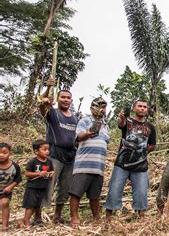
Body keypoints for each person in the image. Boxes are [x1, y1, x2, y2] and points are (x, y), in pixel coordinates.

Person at [105, 99, 156, 219]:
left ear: (147, 110)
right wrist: (122, 117)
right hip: (122, 164)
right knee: (114, 189)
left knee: (141, 193)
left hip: (140, 166)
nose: (142, 108)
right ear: (134, 108)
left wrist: (141, 153)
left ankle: (141, 217)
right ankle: (108, 219)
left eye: (145, 106)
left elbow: (152, 145)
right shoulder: (128, 122)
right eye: (140, 106)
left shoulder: (150, 127)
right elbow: (120, 123)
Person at [39, 78, 79, 223]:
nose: (66, 100)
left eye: (68, 98)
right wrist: (48, 88)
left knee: (65, 188)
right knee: (48, 184)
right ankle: (38, 215)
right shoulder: (53, 113)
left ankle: (58, 215)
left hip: (70, 157)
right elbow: (42, 104)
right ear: (57, 98)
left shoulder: (76, 118)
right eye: (63, 97)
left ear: (71, 100)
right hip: (54, 155)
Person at [69, 97, 110, 227]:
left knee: (95, 195)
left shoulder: (106, 125)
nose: (101, 109)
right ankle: (74, 217)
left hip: (98, 165)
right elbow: (78, 137)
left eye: (103, 107)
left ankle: (96, 217)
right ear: (92, 107)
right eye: (98, 106)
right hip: (83, 164)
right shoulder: (84, 121)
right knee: (76, 193)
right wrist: (88, 133)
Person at [21, 140, 54, 228]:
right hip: (32, 187)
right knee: (30, 205)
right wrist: (38, 174)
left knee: (37, 205)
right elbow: (27, 173)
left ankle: (25, 221)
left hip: (43, 187)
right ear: (36, 151)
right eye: (44, 149)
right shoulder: (33, 161)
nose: (47, 151)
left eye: (48, 149)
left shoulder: (49, 161)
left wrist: (51, 174)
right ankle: (26, 222)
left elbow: (51, 171)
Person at [0, 143, 21, 231]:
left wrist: (10, 187)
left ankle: (5, 225)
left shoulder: (14, 166)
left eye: (4, 153)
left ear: (10, 153)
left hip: (6, 191)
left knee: (4, 204)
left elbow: (18, 179)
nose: (1, 155)